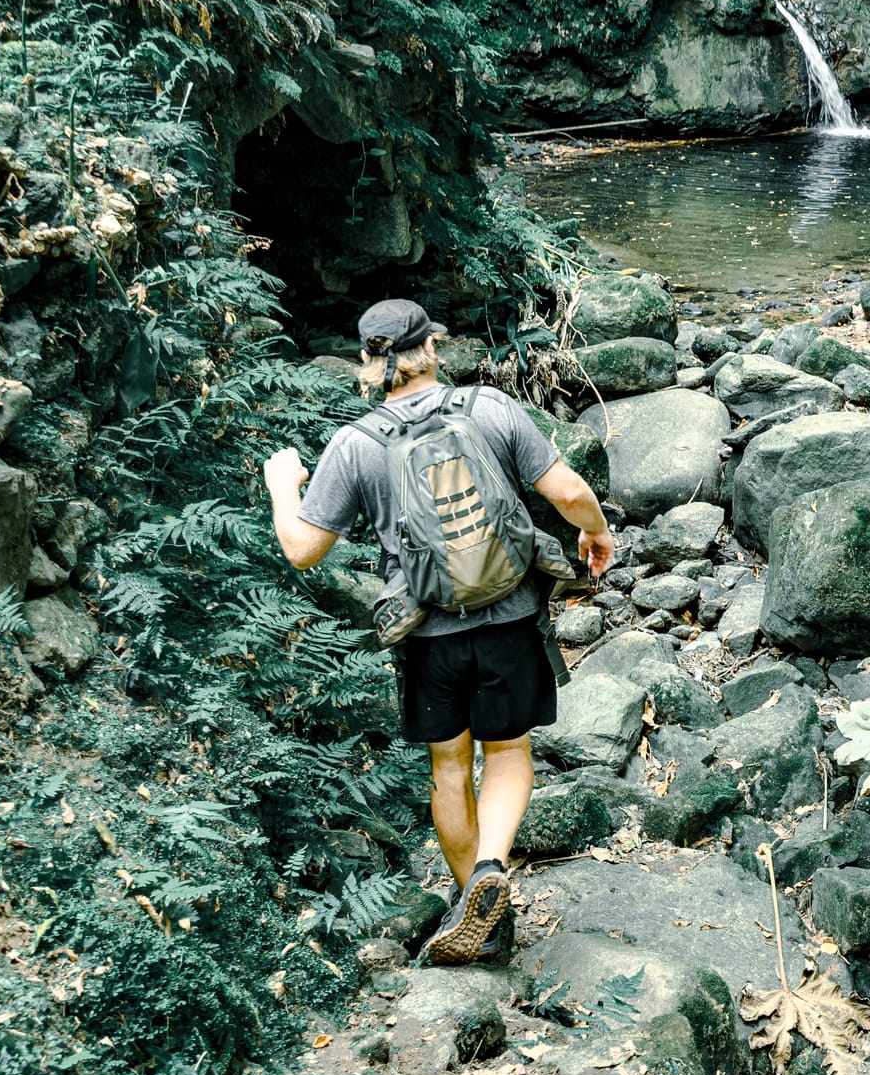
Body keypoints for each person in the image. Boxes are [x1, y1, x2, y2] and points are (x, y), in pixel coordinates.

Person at [261, 299, 614, 965]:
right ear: (436, 347)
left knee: (449, 765)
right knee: (507, 753)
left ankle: (473, 905)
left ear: (369, 365)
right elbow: (566, 490)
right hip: (509, 617)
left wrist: (283, 484)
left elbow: (303, 549)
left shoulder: (355, 444)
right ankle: (490, 870)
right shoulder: (490, 408)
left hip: (427, 635)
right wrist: (595, 531)